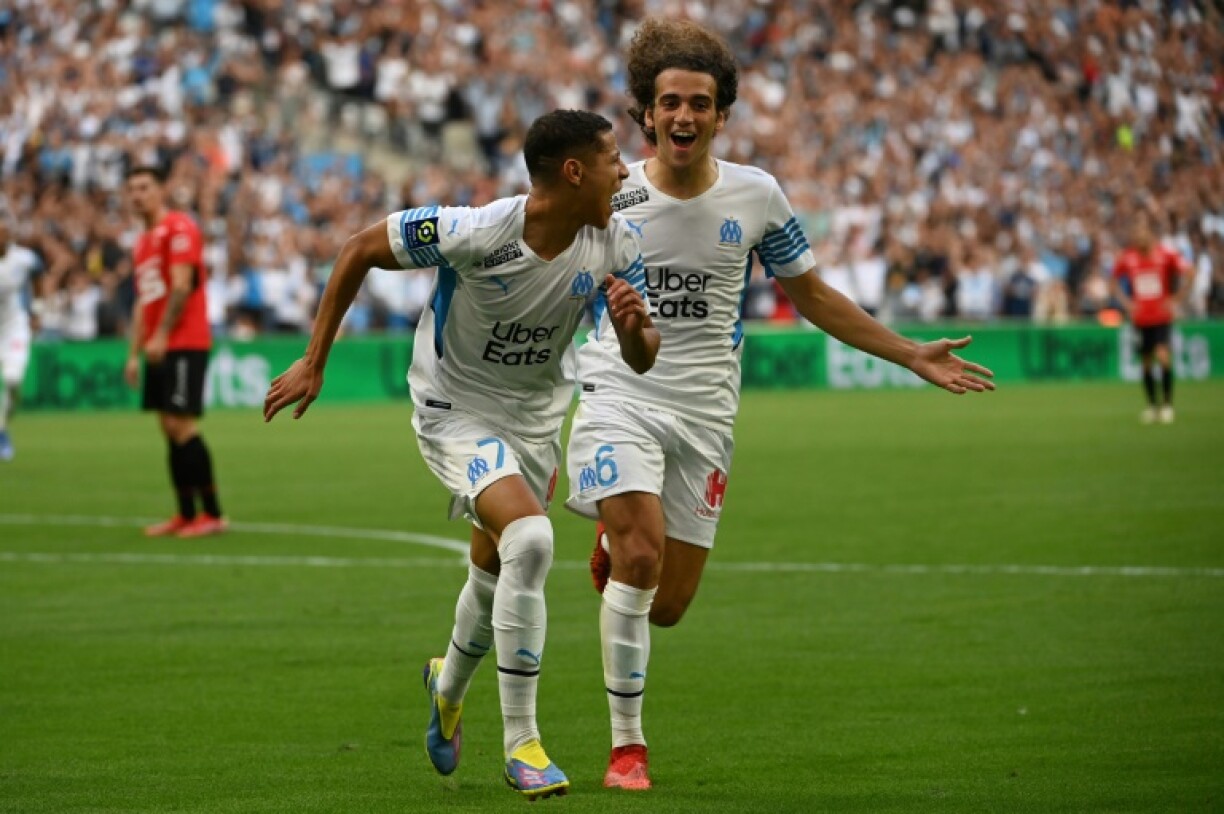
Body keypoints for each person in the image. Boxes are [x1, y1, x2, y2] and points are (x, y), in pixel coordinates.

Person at [564, 18, 996, 791]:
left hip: (705, 414)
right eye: (669, 103)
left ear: (722, 114)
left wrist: (908, 352)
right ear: (646, 113)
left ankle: (616, 546)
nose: (684, 116)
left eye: (700, 103)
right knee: (639, 557)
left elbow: (814, 296)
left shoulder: (757, 195)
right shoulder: (611, 191)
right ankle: (628, 747)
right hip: (617, 389)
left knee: (666, 607)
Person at [262, 109, 659, 801]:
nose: (625, 169)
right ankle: (522, 744)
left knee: (491, 566)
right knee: (532, 542)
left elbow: (644, 356)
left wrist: (632, 330)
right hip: (456, 413)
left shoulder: (616, 243)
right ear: (573, 171)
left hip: (535, 421)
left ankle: (446, 689)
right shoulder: (475, 231)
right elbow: (358, 247)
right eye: (612, 157)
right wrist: (314, 359)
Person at [123, 166, 227, 537]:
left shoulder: (179, 228)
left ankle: (212, 514)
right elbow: (142, 301)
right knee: (168, 426)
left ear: (160, 190)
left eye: (144, 187)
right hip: (157, 345)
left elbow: (181, 287)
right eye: (132, 189)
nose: (138, 195)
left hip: (184, 340)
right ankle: (185, 512)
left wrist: (162, 335)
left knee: (182, 425)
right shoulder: (142, 242)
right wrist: (134, 352)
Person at [1109, 211, 1192, 424]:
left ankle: (1167, 404)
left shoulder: (1166, 254)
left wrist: (1176, 299)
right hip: (1141, 318)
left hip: (1161, 316)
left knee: (1163, 356)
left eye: (1142, 233)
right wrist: (1127, 303)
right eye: (1136, 233)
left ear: (1151, 235)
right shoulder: (1128, 257)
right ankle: (1152, 406)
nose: (1139, 237)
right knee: (1146, 363)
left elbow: (1189, 272)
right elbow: (1113, 280)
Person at [0, 219, 42, 462]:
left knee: (12, 379)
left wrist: (38, 309)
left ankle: (3, 425)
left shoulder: (24, 259)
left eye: (4, 233)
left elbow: (38, 275)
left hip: (15, 327)